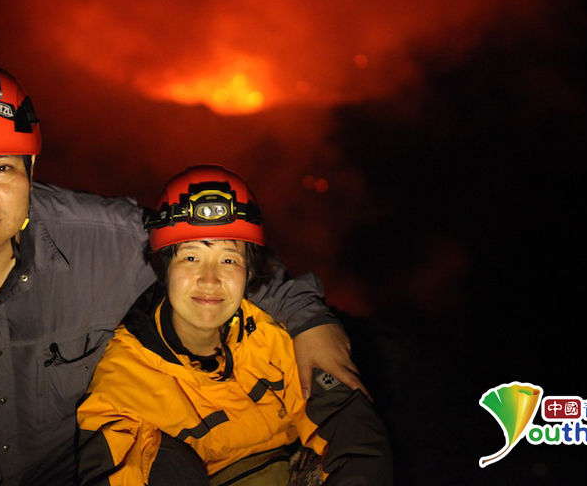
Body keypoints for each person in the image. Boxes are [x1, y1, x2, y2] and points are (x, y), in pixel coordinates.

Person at [0, 59, 364, 485]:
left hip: (80, 469)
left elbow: (223, 261)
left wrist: (312, 323)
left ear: (32, 167)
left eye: (4, 167)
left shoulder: (109, 241)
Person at [77, 165, 391, 485]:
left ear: (250, 272)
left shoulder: (280, 335)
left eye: (229, 260)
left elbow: (351, 433)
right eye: (191, 257)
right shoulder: (123, 379)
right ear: (163, 265)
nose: (210, 280)